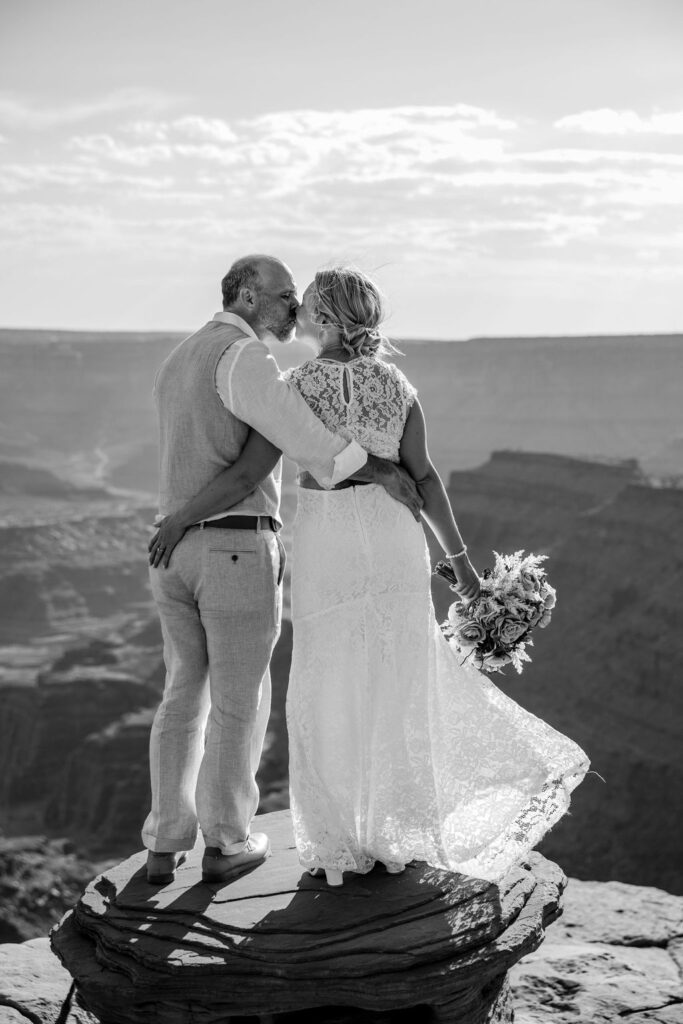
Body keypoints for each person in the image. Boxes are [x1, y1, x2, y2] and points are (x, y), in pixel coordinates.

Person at [153, 264, 589, 888]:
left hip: (328, 541)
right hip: (394, 540)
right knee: (397, 674)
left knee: (329, 676)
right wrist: (461, 566)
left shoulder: (296, 384)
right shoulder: (397, 385)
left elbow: (251, 469)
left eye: (306, 304)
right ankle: (394, 830)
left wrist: (178, 517)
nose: (296, 309)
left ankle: (340, 838)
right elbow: (427, 478)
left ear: (326, 319)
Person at [143, 255, 421, 886]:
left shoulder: (179, 357)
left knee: (182, 697)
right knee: (239, 703)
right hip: (232, 547)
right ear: (247, 296)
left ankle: (163, 844)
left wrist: (176, 522)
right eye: (285, 297)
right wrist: (378, 470)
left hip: (174, 554)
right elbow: (299, 437)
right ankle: (227, 843)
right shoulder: (243, 359)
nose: (295, 311)